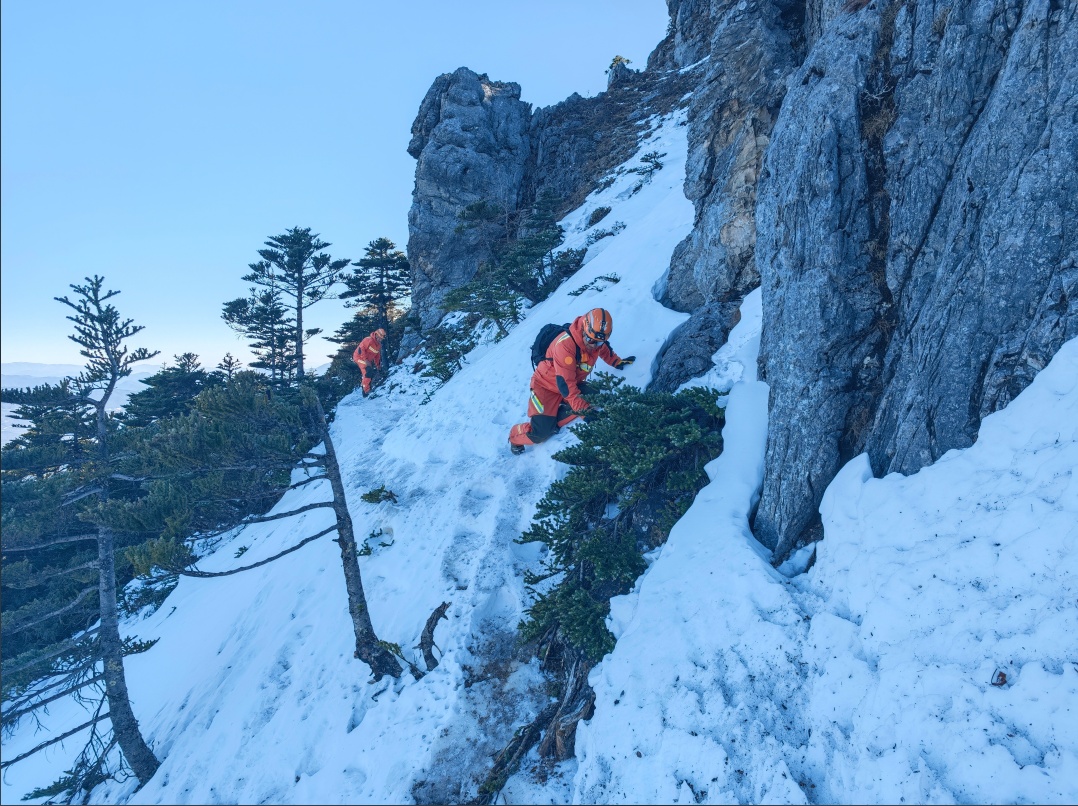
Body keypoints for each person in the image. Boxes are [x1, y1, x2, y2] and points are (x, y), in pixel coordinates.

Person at [508, 307, 635, 455]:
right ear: (584, 328)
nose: (593, 345)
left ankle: (553, 417)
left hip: (570, 383)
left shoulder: (595, 339)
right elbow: (566, 385)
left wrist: (617, 362)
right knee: (540, 433)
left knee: (595, 395)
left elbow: (604, 349)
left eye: (598, 342)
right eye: (590, 340)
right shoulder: (565, 345)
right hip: (545, 387)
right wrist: (584, 413)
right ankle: (514, 437)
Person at [352, 327, 386, 396]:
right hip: (359, 357)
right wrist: (365, 360)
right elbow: (360, 350)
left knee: (370, 371)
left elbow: (377, 356)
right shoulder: (368, 340)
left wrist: (378, 366)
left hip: (367, 360)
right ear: (376, 335)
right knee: (367, 371)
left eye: (381, 338)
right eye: (379, 337)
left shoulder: (378, 345)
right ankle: (365, 391)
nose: (380, 339)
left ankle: (367, 385)